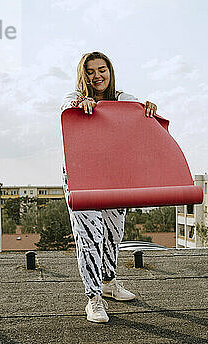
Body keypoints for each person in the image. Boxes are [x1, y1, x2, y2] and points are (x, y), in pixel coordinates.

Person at [60, 51, 158, 323]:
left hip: (114, 175)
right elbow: (66, 109)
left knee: (113, 234)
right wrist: (81, 106)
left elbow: (138, 112)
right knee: (90, 235)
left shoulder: (122, 99)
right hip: (82, 176)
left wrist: (147, 109)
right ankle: (93, 298)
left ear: (110, 71)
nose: (97, 76)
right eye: (90, 71)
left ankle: (108, 282)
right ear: (83, 75)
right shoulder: (74, 99)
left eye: (101, 69)